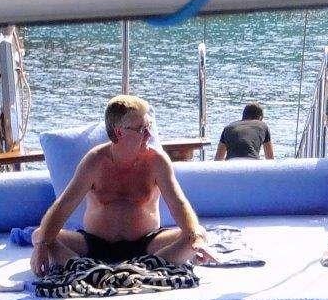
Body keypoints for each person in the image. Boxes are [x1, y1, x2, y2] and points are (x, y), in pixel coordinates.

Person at [31, 94, 215, 274]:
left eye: (149, 127)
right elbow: (64, 205)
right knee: (40, 236)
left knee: (197, 234)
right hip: (93, 244)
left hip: (147, 244)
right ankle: (91, 269)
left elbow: (178, 203)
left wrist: (194, 237)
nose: (149, 135)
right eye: (142, 129)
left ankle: (127, 271)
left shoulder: (157, 161)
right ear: (119, 132)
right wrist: (42, 246)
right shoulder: (95, 161)